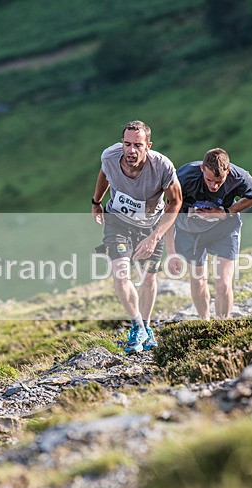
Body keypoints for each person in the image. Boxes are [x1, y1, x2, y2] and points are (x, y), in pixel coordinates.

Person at [91, 120, 182, 353]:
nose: (131, 150)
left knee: (148, 277)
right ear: (122, 143)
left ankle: (147, 326)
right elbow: (104, 174)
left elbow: (176, 201)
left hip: (151, 225)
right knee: (121, 273)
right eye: (127, 144)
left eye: (138, 145)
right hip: (118, 221)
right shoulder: (110, 156)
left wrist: (154, 237)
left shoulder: (162, 167)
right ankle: (137, 325)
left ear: (148, 146)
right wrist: (96, 202)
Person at [165, 148, 252, 319]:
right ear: (202, 169)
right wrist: (171, 251)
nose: (214, 186)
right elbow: (168, 212)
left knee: (224, 284)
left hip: (224, 229)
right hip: (190, 231)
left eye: (219, 182)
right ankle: (205, 322)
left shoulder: (238, 177)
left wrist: (228, 211)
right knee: (198, 280)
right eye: (209, 180)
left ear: (228, 171)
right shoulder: (185, 177)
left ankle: (221, 324)